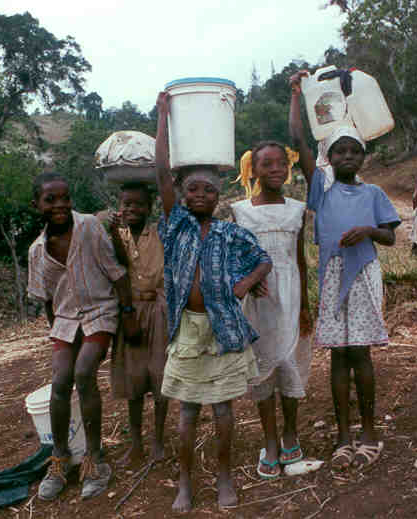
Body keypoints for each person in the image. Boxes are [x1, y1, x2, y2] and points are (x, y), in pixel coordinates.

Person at [155, 92, 272, 511]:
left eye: (208, 189)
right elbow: (161, 173)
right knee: (187, 410)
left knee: (223, 408)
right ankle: (184, 482)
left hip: (224, 330)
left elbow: (264, 259)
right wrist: (163, 118)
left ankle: (224, 476)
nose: (200, 194)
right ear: (183, 195)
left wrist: (245, 284)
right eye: (192, 189)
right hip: (187, 328)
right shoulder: (176, 227)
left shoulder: (230, 233)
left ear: (219, 195)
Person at [289, 72, 401, 471]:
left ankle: (368, 431)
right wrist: (297, 96)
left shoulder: (374, 194)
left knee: (361, 354)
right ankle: (342, 435)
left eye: (354, 151)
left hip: (365, 274)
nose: (347, 157)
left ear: (362, 157)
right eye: (340, 152)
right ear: (330, 158)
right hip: (333, 277)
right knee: (339, 356)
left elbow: (389, 237)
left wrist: (369, 230)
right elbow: (299, 143)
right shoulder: (322, 189)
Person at [27, 172, 138, 500]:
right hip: (64, 320)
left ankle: (94, 458)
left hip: (100, 312)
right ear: (37, 206)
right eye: (51, 200)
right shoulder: (37, 251)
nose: (60, 205)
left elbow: (116, 273)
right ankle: (59, 458)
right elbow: (48, 301)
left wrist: (128, 314)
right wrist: (57, 334)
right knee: (60, 380)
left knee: (84, 372)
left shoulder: (88, 227)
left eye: (65, 197)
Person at [231, 142, 312, 479]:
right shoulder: (240, 211)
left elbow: (300, 260)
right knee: (262, 366)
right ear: (254, 170)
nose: (276, 169)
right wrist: (249, 280)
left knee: (289, 362)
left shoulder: (297, 209)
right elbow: (235, 258)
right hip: (258, 301)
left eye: (281, 163)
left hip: (291, 296)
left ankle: (290, 433)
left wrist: (306, 305)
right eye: (267, 164)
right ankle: (270, 440)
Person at [104, 182, 169, 465]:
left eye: (139, 204)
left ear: (149, 207)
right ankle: (136, 443)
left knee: (160, 376)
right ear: (119, 206)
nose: (132, 209)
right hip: (129, 311)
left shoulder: (158, 232)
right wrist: (109, 224)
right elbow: (118, 260)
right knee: (134, 379)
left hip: (158, 309)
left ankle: (159, 441)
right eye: (126, 204)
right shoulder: (113, 234)